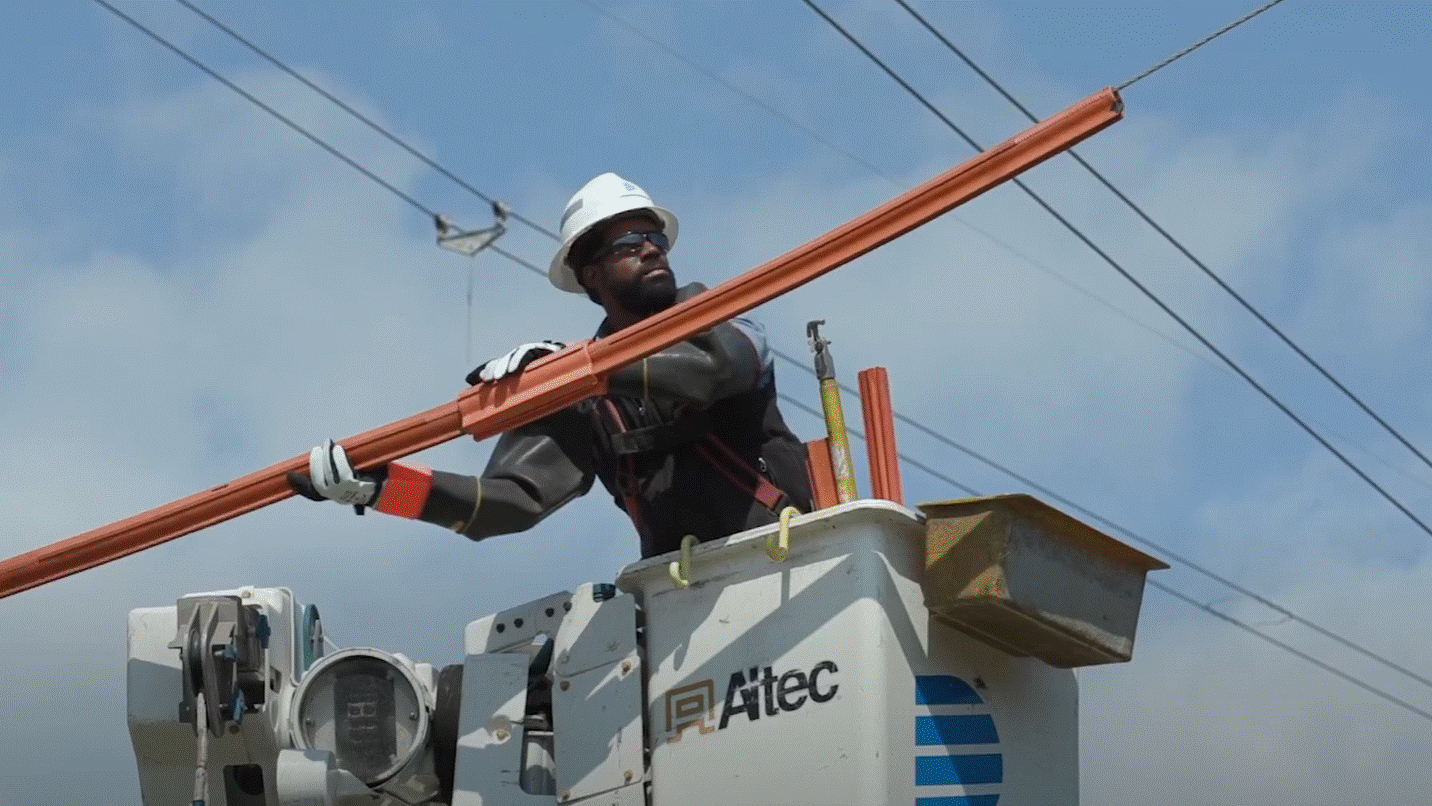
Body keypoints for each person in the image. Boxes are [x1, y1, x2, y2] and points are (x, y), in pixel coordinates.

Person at [287, 172, 815, 559]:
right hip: (682, 597)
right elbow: (505, 504)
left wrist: (577, 366)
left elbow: (717, 371)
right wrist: (379, 486)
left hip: (792, 560)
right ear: (590, 276)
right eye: (630, 242)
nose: (653, 249)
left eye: (655, 236)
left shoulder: (720, 317)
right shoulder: (587, 398)